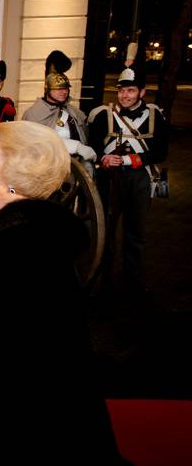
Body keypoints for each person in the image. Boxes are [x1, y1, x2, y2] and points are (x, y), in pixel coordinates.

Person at [0, 121, 138, 466]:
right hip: (43, 392)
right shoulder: (25, 225)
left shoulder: (22, 241)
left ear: (13, 176)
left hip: (23, 408)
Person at [88, 64, 169, 294]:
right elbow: (93, 144)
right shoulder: (103, 115)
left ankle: (132, 281)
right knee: (106, 232)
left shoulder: (156, 116)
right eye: (122, 90)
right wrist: (103, 157)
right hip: (109, 180)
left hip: (140, 179)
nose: (125, 95)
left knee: (136, 233)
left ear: (142, 92)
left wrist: (124, 160)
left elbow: (161, 152)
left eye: (131, 90)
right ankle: (103, 279)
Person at [22, 50, 96, 168]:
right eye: (58, 89)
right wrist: (77, 147)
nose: (64, 92)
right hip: (49, 168)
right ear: (48, 90)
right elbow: (41, 143)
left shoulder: (73, 111)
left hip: (74, 168)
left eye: (66, 88)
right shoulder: (34, 114)